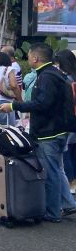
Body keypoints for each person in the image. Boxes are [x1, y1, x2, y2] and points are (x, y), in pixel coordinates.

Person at [0, 43, 76, 222]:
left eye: (29, 56)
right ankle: (66, 204)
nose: (27, 59)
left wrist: (13, 105)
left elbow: (42, 103)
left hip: (49, 132)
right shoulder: (55, 74)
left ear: (35, 58)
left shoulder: (47, 77)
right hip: (56, 130)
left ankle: (53, 212)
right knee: (56, 170)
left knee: (51, 173)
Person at [53, 50, 76, 194]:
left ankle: (71, 182)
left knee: (67, 151)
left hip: (69, 119)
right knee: (74, 150)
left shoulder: (66, 78)